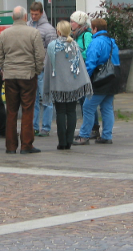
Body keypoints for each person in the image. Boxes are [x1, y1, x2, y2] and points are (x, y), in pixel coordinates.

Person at [0, 6, 45, 154]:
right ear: (25, 17)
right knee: (27, 109)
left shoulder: (4, 34)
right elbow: (40, 56)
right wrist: (36, 71)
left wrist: (5, 70)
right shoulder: (33, 33)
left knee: (11, 111)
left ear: (13, 18)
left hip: (10, 76)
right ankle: (26, 144)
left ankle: (10, 146)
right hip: (28, 75)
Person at [43, 21, 93, 150]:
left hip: (58, 84)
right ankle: (69, 140)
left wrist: (47, 83)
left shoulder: (52, 46)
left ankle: (62, 142)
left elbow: (47, 65)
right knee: (71, 112)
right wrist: (84, 81)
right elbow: (80, 65)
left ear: (58, 31)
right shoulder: (74, 45)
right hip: (72, 84)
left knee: (60, 112)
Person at [73, 18, 120, 146]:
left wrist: (85, 79)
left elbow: (91, 63)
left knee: (88, 107)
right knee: (107, 107)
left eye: (92, 28)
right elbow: (116, 60)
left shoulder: (96, 42)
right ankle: (106, 136)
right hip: (111, 78)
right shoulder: (112, 42)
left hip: (99, 80)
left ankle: (84, 135)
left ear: (95, 29)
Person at [70, 10, 100, 140]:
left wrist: (76, 53)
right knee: (83, 100)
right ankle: (91, 127)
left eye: (73, 21)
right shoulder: (75, 34)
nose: (71, 24)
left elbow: (89, 51)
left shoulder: (86, 34)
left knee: (86, 100)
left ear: (80, 23)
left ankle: (94, 128)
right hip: (78, 70)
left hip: (85, 70)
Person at [28, 1, 56, 137]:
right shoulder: (28, 26)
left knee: (46, 99)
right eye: (32, 14)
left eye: (36, 14)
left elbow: (51, 50)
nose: (33, 17)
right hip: (31, 68)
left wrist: (45, 66)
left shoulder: (49, 29)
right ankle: (34, 126)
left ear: (41, 12)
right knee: (32, 100)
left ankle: (46, 127)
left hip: (43, 69)